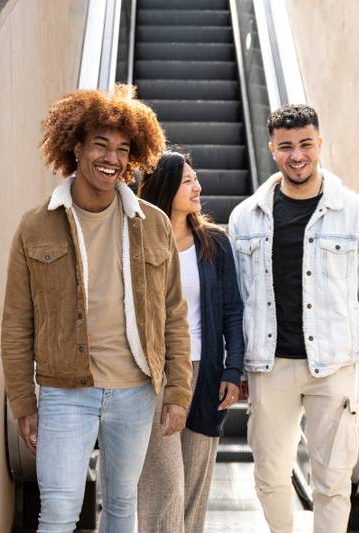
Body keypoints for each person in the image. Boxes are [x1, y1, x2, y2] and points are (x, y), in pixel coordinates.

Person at [0, 86, 192, 533]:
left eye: (123, 149)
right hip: (65, 391)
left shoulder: (153, 224)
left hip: (136, 390)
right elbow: (16, 324)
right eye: (101, 145)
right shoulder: (36, 224)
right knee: (60, 512)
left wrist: (178, 391)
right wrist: (23, 402)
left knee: (123, 506)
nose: (112, 158)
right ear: (76, 147)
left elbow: (174, 314)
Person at [227, 104, 359, 533]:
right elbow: (238, 301)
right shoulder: (246, 217)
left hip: (334, 365)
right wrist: (237, 363)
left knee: (334, 479)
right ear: (272, 149)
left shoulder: (355, 212)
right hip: (270, 367)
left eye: (306, 144)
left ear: (320, 145)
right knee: (269, 475)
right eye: (286, 146)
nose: (297, 155)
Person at [136, 150, 245, 533]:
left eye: (196, 178)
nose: (198, 187)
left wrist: (233, 368)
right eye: (187, 181)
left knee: (194, 487)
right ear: (166, 187)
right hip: (154, 374)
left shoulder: (215, 243)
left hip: (207, 370)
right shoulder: (138, 240)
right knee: (163, 486)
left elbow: (233, 310)